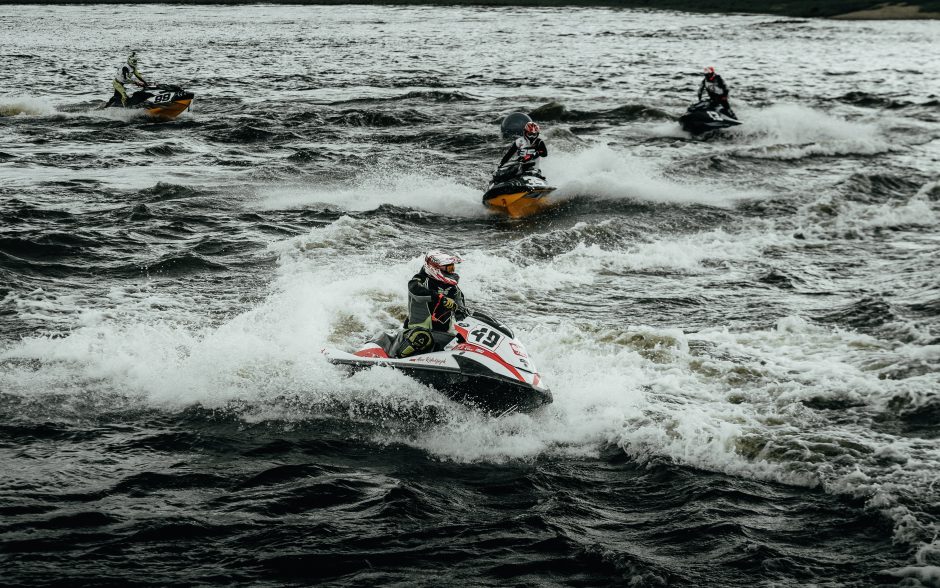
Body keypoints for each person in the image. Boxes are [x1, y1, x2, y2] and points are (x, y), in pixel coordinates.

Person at [397, 252, 466, 358]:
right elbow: (415, 290)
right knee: (422, 337)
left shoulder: (454, 289)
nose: (452, 272)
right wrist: (439, 297)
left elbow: (462, 313)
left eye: (452, 268)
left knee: (466, 340)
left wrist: (465, 333)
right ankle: (397, 361)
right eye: (449, 268)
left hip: (441, 335)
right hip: (414, 331)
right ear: (434, 268)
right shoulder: (419, 280)